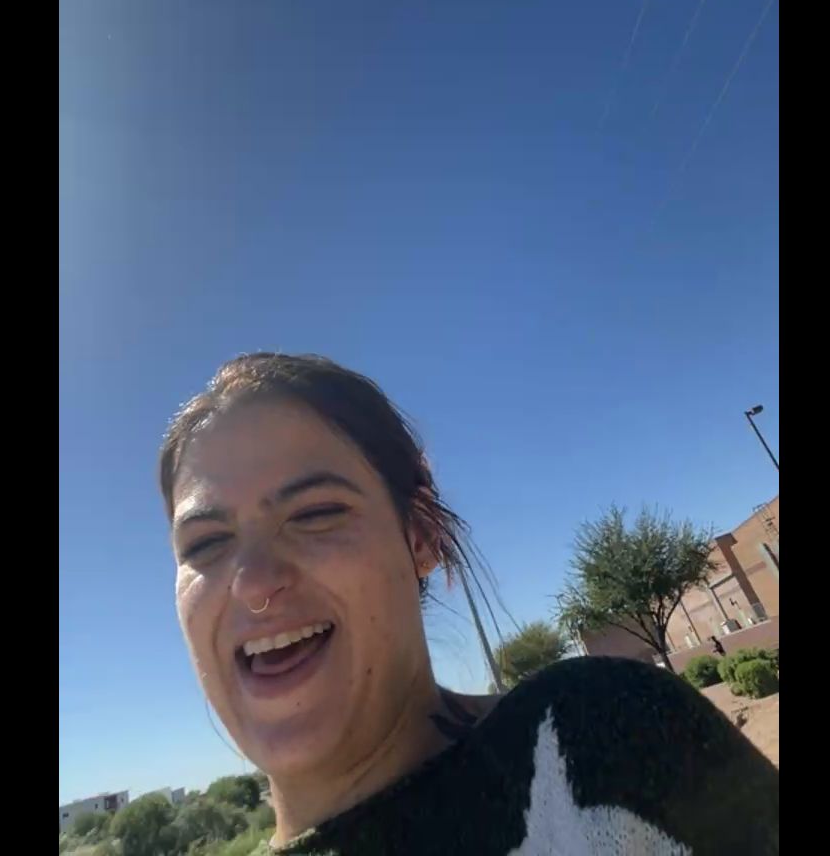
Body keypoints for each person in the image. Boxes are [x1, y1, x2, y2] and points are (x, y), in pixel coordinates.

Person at [160, 352, 779, 855]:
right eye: (205, 543)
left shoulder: (601, 746)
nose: (253, 582)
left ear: (421, 536)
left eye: (315, 513)